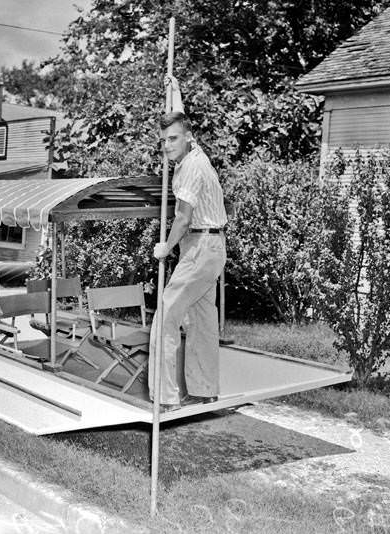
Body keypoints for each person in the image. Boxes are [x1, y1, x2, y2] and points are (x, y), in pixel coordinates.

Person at [149, 75, 227, 410]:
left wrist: (164, 247)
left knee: (165, 316)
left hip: (198, 247)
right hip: (212, 249)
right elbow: (179, 120)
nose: (167, 145)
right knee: (202, 322)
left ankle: (165, 400)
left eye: (173, 140)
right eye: (163, 140)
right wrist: (175, 91)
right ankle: (204, 391)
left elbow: (182, 217)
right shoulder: (195, 154)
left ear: (188, 139)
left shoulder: (190, 169)